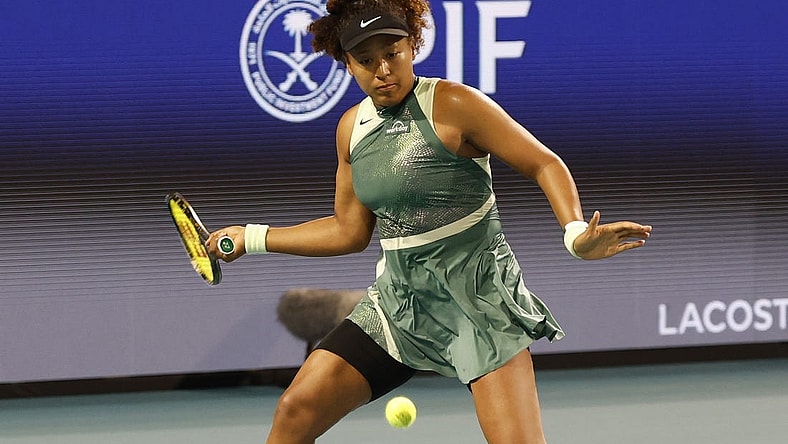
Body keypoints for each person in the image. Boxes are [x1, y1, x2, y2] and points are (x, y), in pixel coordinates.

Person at [206, 0, 652, 442]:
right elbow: (349, 230)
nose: (382, 69)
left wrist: (575, 234)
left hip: (479, 304)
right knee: (295, 411)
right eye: (366, 60)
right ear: (347, 65)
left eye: (392, 54)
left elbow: (544, 163)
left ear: (412, 46)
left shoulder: (455, 104)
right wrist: (254, 237)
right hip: (399, 305)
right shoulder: (351, 129)